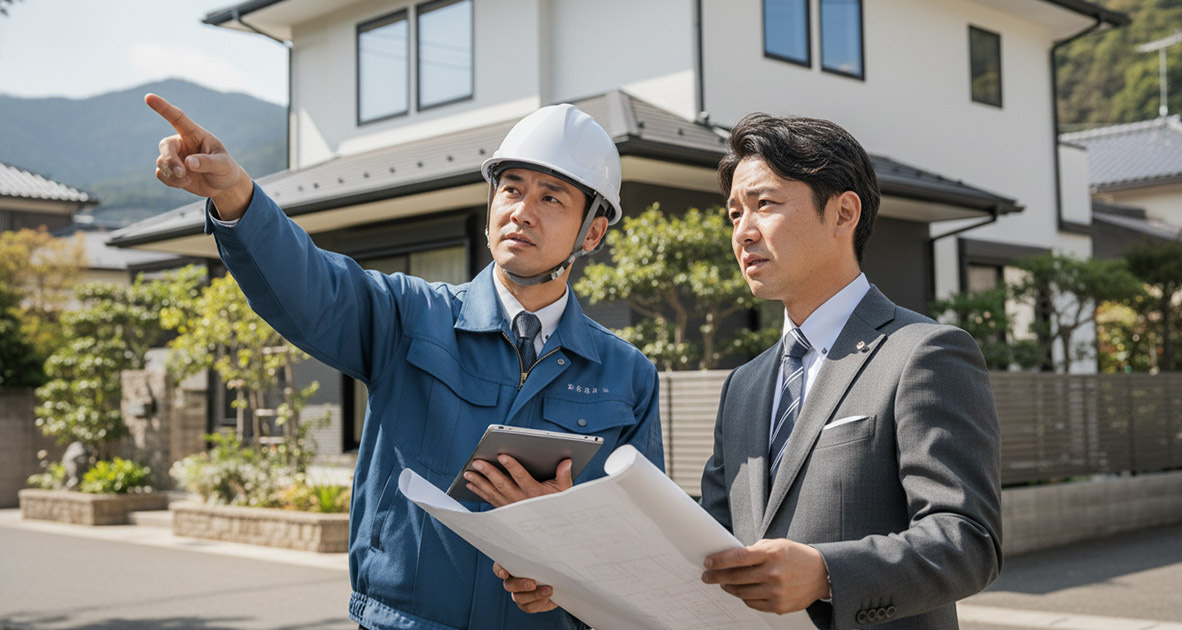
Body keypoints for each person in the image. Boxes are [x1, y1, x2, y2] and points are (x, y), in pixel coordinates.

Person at [146, 93, 663, 630]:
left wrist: (566, 566)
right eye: (511, 189)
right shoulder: (410, 315)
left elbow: (641, 545)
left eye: (552, 198)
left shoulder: (627, 376)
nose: (521, 212)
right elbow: (310, 287)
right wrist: (235, 195)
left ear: (593, 232)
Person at [693, 113, 1003, 629]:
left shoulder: (923, 353)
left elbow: (968, 540)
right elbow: (712, 541)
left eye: (764, 204)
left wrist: (825, 574)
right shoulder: (742, 386)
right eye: (733, 214)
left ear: (843, 213)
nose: (743, 232)